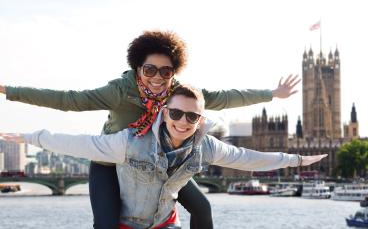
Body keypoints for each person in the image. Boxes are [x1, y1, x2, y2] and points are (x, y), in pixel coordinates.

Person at [0, 30, 301, 229]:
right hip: (112, 162)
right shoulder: (120, 90)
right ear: (138, 68)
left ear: (174, 71)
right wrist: (8, 90)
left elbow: (223, 98)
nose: (158, 77)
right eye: (150, 70)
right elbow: (69, 101)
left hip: (161, 164)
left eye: (166, 71)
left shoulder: (180, 94)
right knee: (106, 224)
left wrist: (272, 94)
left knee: (202, 208)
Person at [0, 84, 327, 229]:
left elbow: (247, 157)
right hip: (128, 221)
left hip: (165, 222)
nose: (183, 122)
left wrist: (295, 160)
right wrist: (31, 137)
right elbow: (80, 142)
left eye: (192, 117)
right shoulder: (130, 141)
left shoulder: (205, 145)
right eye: (177, 114)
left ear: (200, 119)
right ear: (164, 111)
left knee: (204, 207)